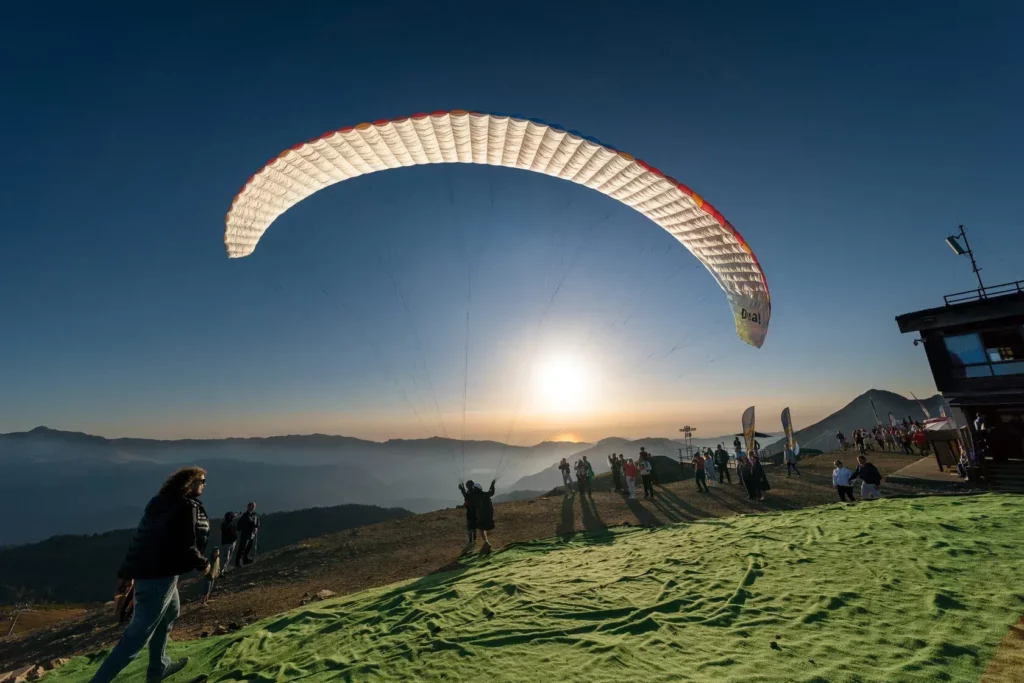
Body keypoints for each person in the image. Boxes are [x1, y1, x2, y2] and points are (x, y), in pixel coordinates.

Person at [89, 467, 210, 683]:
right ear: (190, 483)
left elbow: (142, 538)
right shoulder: (185, 507)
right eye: (202, 480)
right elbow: (187, 546)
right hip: (159, 578)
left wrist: (128, 573)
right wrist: (204, 565)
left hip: (159, 575)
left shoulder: (159, 502)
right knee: (137, 636)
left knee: (170, 613)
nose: (204, 484)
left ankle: (158, 667)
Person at [469, 480, 496, 553]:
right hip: (490, 517)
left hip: (481, 518)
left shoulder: (474, 496)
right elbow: (492, 492)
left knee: (481, 529)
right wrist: (492, 484)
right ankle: (487, 542)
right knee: (483, 527)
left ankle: (486, 542)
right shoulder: (485, 494)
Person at [235, 502, 259, 567]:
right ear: (248, 507)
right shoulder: (245, 515)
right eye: (252, 506)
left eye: (254, 506)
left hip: (251, 534)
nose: (253, 507)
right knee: (242, 548)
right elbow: (239, 524)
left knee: (249, 546)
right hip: (245, 533)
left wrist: (256, 528)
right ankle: (238, 562)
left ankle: (245, 559)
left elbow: (257, 523)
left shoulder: (255, 515)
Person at [457, 481, 479, 551]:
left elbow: (466, 497)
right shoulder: (474, 492)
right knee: (473, 526)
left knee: (470, 527)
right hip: (474, 512)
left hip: (470, 512)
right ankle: (474, 539)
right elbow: (466, 496)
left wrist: (462, 489)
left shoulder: (471, 493)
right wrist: (462, 489)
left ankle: (471, 540)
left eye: (467, 486)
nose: (467, 487)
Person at [217, 512, 238, 577]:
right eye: (232, 516)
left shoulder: (231, 523)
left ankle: (225, 569)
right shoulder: (225, 524)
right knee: (225, 557)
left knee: (229, 556)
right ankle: (221, 572)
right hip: (227, 543)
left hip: (232, 542)